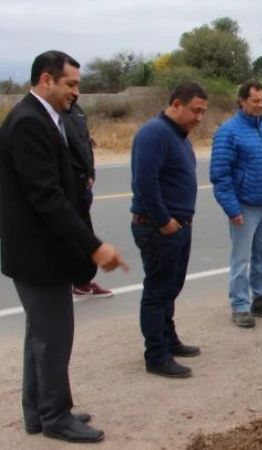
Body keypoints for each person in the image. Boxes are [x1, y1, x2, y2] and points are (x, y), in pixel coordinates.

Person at [0, 50, 127, 443]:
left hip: (40, 252)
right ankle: (56, 417)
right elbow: (47, 198)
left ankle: (39, 412)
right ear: (45, 80)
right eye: (70, 84)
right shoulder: (28, 123)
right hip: (39, 254)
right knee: (54, 337)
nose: (76, 91)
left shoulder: (44, 118)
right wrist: (94, 247)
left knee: (42, 334)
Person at [130, 82, 207, 377]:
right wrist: (164, 221)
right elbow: (145, 183)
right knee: (157, 291)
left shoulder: (180, 135)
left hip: (178, 226)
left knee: (170, 289)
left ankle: (168, 338)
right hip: (158, 228)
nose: (199, 118)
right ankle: (156, 355)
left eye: (203, 112)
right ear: (176, 104)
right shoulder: (154, 133)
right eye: (195, 110)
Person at [210, 81, 262, 328]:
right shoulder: (228, 131)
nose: (260, 105)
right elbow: (220, 174)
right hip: (244, 205)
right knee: (241, 258)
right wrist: (232, 208)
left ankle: (261, 298)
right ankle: (240, 305)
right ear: (242, 101)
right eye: (255, 101)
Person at [66, 102, 114, 299]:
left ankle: (82, 281)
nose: (74, 91)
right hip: (68, 186)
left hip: (83, 185)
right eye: (69, 84)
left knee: (83, 229)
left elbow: (85, 143)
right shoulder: (48, 116)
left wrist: (90, 173)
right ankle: (76, 280)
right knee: (74, 232)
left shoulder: (77, 111)